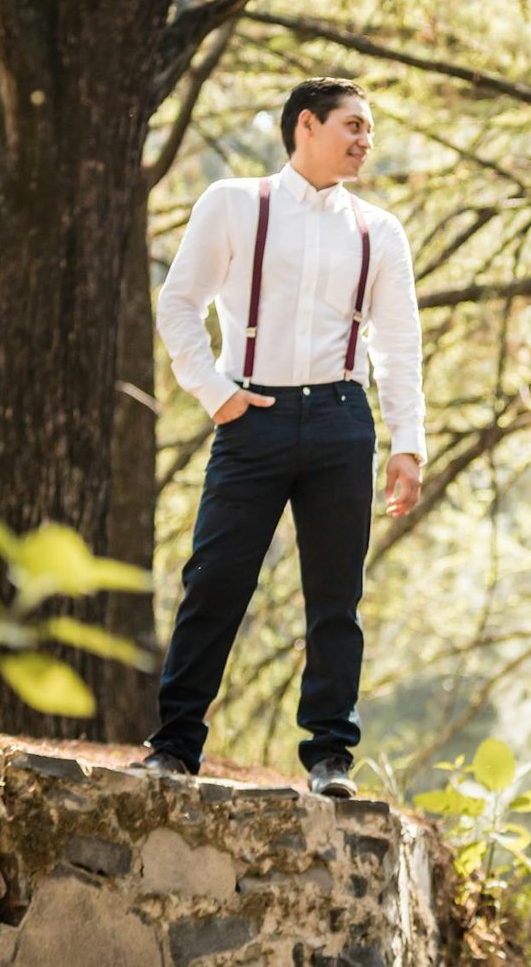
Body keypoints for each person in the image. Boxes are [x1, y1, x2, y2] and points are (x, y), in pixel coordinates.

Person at [138, 77, 426, 797]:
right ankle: (174, 746)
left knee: (336, 598)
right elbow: (178, 305)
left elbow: (398, 345)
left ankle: (331, 757)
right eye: (353, 126)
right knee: (214, 581)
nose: (366, 141)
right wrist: (215, 395)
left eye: (369, 130)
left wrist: (407, 444)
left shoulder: (379, 231)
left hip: (340, 420)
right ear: (307, 125)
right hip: (252, 417)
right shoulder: (235, 204)